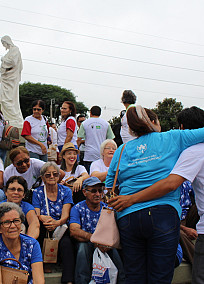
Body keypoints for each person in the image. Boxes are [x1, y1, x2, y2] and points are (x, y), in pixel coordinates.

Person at [105, 105, 204, 284]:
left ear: (131, 129)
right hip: (163, 214)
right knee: (160, 277)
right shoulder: (173, 137)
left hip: (128, 217)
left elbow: (109, 187)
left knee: (134, 276)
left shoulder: (120, 151)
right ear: (153, 122)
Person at [69, 177, 125, 284]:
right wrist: (95, 239)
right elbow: (74, 230)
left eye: (100, 190)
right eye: (94, 191)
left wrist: (104, 242)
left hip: (105, 244)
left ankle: (122, 280)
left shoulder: (107, 209)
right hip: (87, 242)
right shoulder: (77, 208)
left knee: (114, 250)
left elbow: (112, 231)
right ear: (85, 192)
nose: (98, 194)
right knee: (82, 248)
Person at [32, 162, 75, 283]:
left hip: (60, 225)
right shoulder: (37, 192)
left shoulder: (66, 191)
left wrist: (57, 222)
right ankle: (44, 262)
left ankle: (68, 279)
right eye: (48, 174)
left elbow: (66, 214)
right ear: (42, 178)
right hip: (44, 224)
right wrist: (43, 218)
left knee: (66, 243)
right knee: (39, 230)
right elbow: (37, 212)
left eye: (55, 174)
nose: (52, 176)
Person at [0, 202, 44, 284]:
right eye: (7, 222)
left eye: (16, 221)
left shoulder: (32, 244)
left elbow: (39, 280)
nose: (13, 226)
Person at [0, 176, 40, 240]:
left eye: (19, 190)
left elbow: (34, 224)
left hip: (20, 241)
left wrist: (28, 242)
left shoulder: (27, 207)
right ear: (6, 192)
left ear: (24, 195)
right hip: (0, 240)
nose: (16, 192)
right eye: (12, 189)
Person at [0, 35, 24, 129]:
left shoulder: (15, 49)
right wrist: (0, 78)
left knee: (9, 100)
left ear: (7, 42)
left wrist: (3, 59)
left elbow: (13, 62)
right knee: (4, 100)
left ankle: (15, 119)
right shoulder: (10, 51)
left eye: (3, 43)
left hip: (11, 79)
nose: (3, 45)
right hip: (6, 79)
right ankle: (8, 118)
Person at [77, 106, 115, 173]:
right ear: (100, 113)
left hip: (89, 155)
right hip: (102, 155)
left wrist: (77, 151)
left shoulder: (84, 123)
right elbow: (111, 139)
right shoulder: (106, 124)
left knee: (90, 179)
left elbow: (79, 139)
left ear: (90, 113)